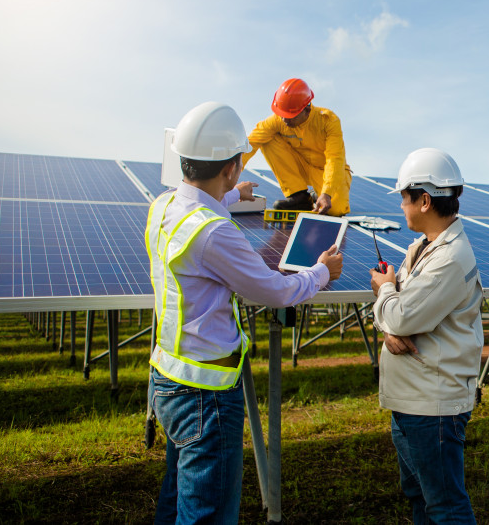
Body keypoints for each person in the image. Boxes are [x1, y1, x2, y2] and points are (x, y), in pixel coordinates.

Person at [147, 101, 344, 525]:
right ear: (233, 166)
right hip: (206, 394)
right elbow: (274, 290)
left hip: (167, 377)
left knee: (175, 499)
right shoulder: (214, 234)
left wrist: (236, 195)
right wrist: (320, 273)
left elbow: (200, 198)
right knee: (206, 514)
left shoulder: (162, 207)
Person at [369, 148, 483, 525]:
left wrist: (385, 293)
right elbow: (396, 319)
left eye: (404, 197)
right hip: (410, 401)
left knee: (445, 506)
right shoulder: (420, 248)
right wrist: (388, 326)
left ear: (424, 200)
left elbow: (400, 312)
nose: (401, 205)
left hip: (432, 407)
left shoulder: (450, 258)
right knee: (420, 496)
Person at [242, 77, 352, 216]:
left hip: (328, 171)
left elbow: (334, 159)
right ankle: (299, 196)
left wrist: (327, 193)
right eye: (281, 114)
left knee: (334, 210)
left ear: (306, 109)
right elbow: (249, 144)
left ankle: (318, 194)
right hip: (300, 166)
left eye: (290, 116)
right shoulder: (278, 121)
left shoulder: (328, 121)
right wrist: (228, 178)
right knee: (267, 138)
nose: (284, 120)